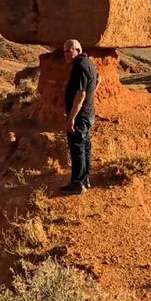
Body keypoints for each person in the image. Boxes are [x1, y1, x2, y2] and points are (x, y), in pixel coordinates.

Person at [60, 39, 98, 195]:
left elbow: (81, 94)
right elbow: (98, 79)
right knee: (85, 146)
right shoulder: (89, 63)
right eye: (64, 51)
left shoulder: (79, 67)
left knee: (77, 148)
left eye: (69, 51)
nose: (66, 54)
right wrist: (91, 95)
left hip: (80, 116)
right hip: (88, 113)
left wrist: (72, 118)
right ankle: (85, 179)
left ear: (78, 50)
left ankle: (77, 184)